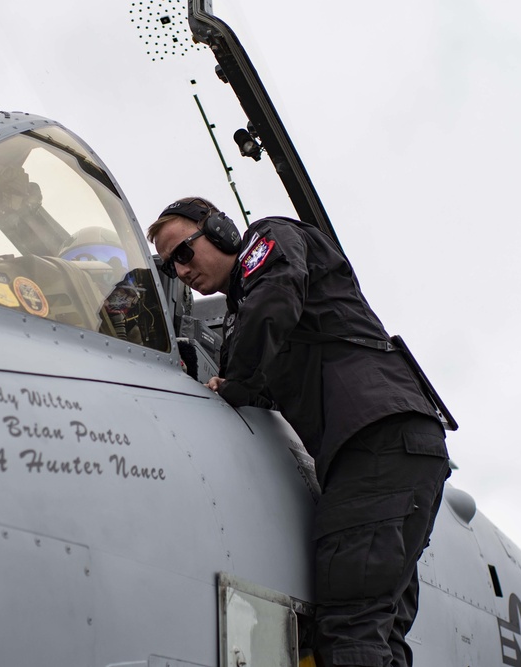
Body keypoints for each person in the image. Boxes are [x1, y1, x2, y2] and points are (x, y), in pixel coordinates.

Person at [148, 197, 451, 667]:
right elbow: (268, 374)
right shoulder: (245, 313)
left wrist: (235, 382)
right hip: (399, 449)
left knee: (349, 627)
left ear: (222, 231)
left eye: (183, 254)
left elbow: (274, 302)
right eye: (169, 268)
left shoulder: (268, 241)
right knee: (379, 630)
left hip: (375, 443)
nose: (181, 272)